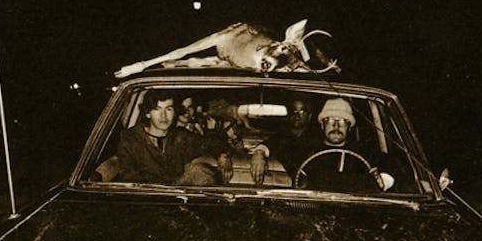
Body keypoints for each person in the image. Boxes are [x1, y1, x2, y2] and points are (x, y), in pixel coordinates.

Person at [255, 96, 395, 192]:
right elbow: (280, 142)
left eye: (342, 121)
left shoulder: (363, 151)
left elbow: (393, 164)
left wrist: (384, 180)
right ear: (322, 125)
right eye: (329, 120)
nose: (336, 126)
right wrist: (259, 152)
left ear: (350, 127)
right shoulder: (306, 148)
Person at [93, 91, 233, 185]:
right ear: (148, 113)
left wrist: (223, 155)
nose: (163, 116)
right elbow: (128, 176)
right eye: (157, 109)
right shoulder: (131, 138)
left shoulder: (180, 136)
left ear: (175, 113)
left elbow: (212, 143)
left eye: (169, 109)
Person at [249, 96, 321, 186]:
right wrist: (259, 153)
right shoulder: (282, 137)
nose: (297, 115)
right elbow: (268, 145)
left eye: (302, 111)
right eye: (293, 111)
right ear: (288, 115)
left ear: (309, 116)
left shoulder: (317, 138)